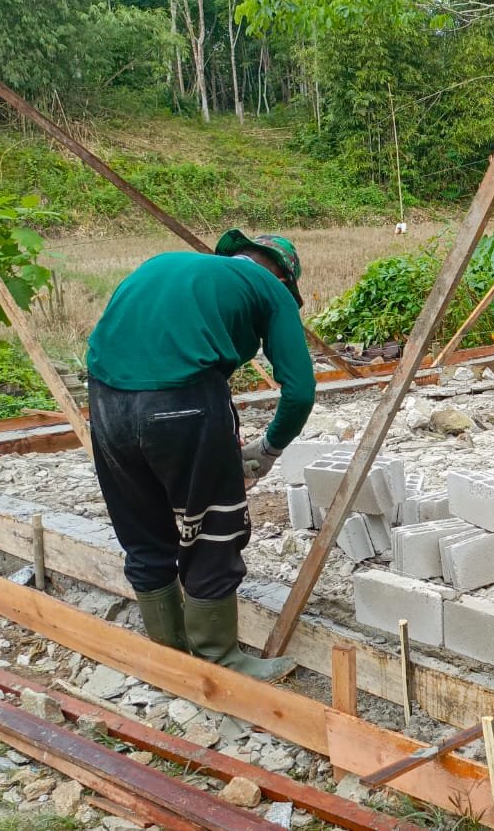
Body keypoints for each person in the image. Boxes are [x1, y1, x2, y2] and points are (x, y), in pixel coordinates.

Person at [86, 229, 317, 680]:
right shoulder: (271, 289)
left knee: (142, 523)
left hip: (105, 399)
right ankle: (218, 661)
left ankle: (171, 656)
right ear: (284, 277)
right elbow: (300, 392)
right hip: (184, 399)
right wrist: (269, 449)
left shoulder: (165, 264)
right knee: (212, 526)